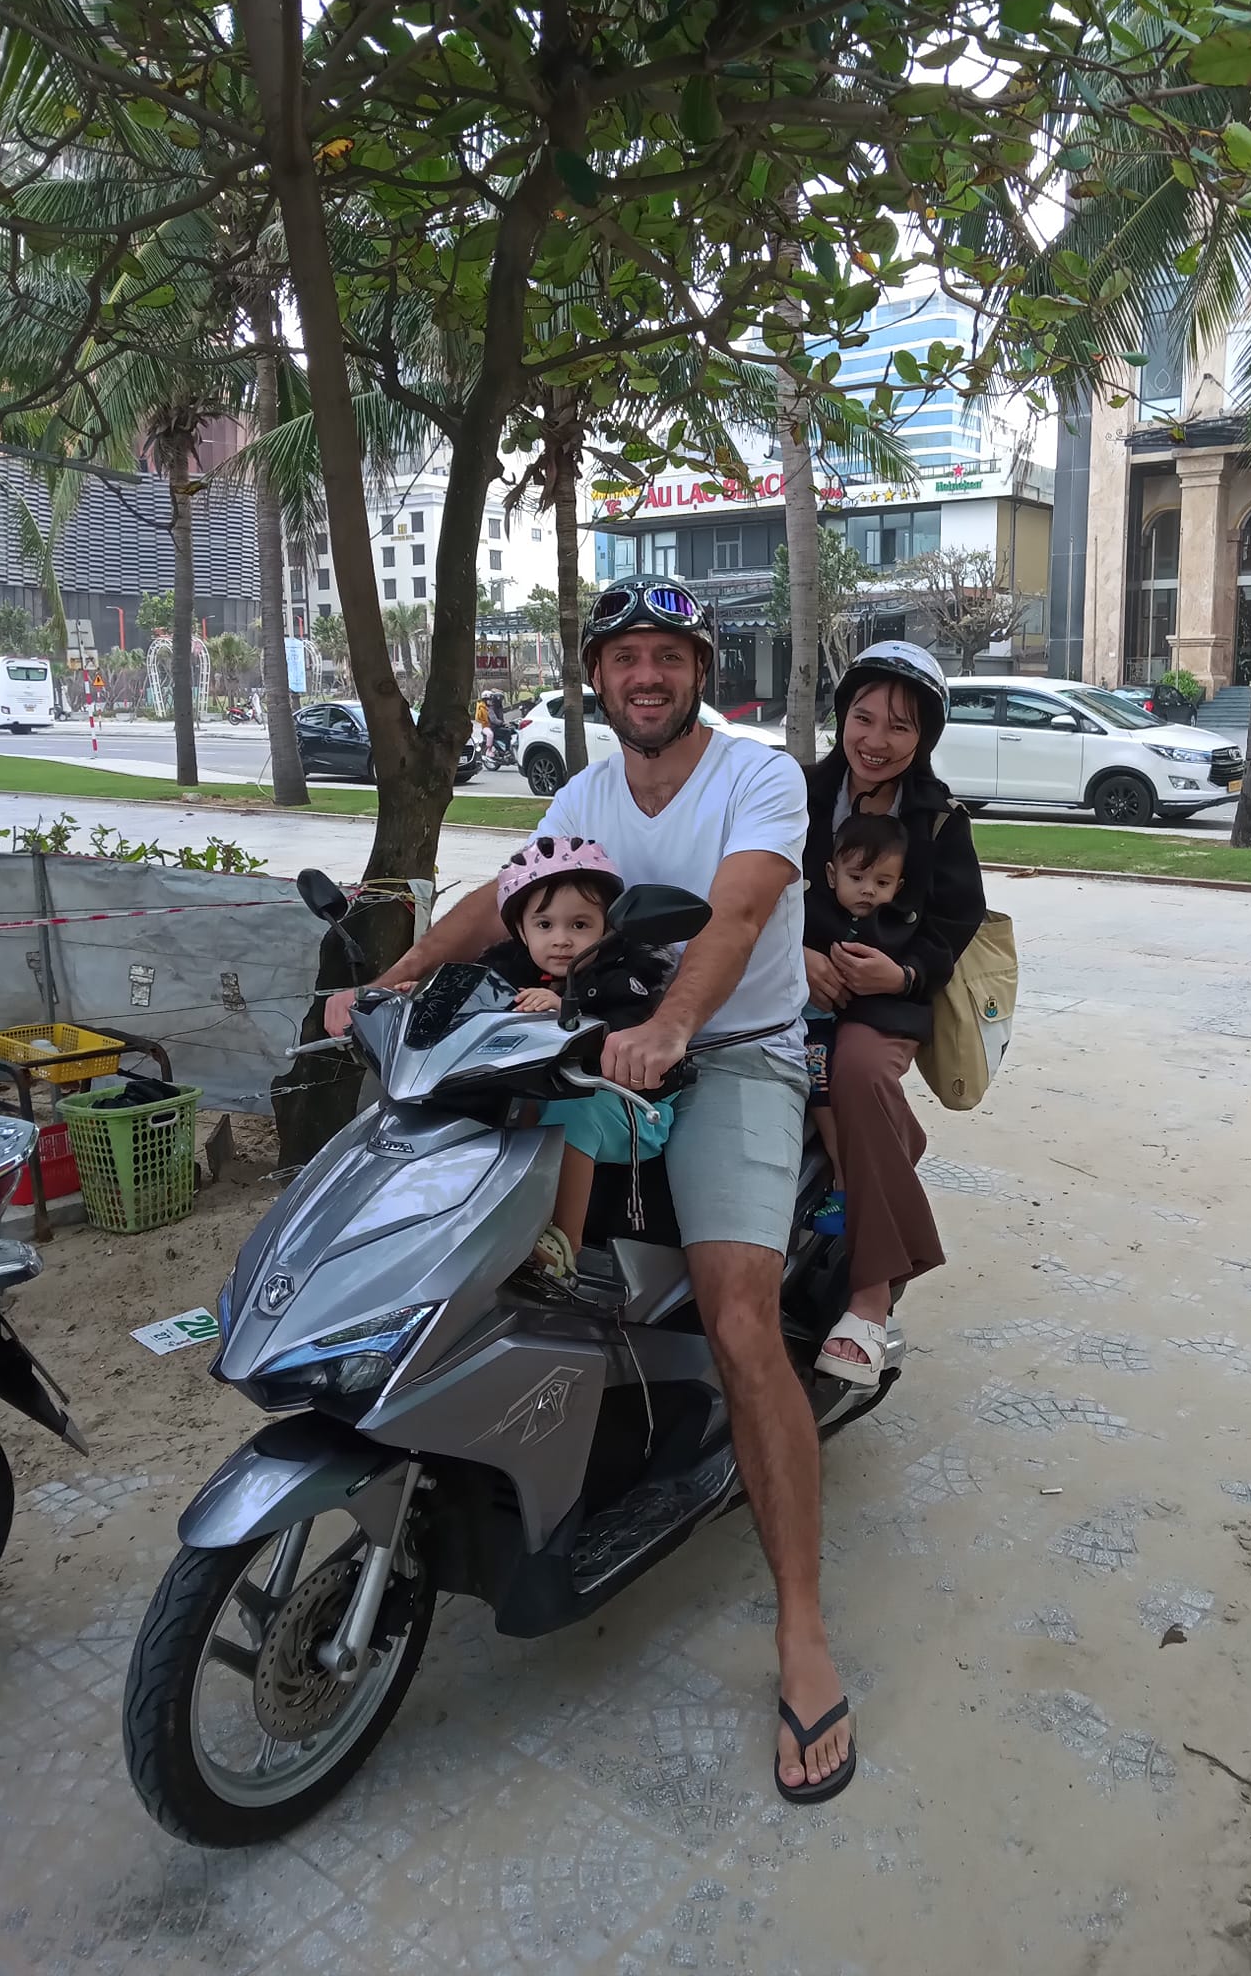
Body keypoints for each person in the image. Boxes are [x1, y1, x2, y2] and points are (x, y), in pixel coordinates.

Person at [325, 574, 855, 1805]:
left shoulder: (758, 776)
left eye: (668, 656)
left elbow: (736, 914)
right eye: (626, 660)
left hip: (734, 1054)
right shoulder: (586, 790)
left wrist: (672, 1023)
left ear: (697, 671)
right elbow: (505, 895)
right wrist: (393, 978)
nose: (647, 676)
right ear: (601, 679)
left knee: (738, 1319)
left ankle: (804, 1628)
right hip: (595, 1036)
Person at [800, 641, 987, 1390]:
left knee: (855, 1071)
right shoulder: (798, 794)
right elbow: (762, 886)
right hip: (793, 989)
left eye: (900, 727)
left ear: (926, 738)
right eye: (863, 717)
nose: (875, 740)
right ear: (842, 716)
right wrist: (796, 958)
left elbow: (954, 924)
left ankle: (870, 1298)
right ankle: (891, 1137)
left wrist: (902, 970)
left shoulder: (940, 822)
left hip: (885, 1004)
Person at [481, 835, 676, 1284]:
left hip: (632, 1105)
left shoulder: (626, 979)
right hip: (542, 1097)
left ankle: (563, 1243)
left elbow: (627, 1033)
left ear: (608, 929)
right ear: (520, 932)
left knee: (570, 1114)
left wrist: (567, 1010)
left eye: (580, 925)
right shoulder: (504, 976)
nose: (562, 940)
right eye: (544, 925)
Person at [802, 812, 912, 1238]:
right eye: (857, 877)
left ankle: (844, 1185)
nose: (868, 890)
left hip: (824, 1032)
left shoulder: (887, 932)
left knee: (824, 1093)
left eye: (882, 884)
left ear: (898, 887)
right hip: (790, 1020)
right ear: (831, 875)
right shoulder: (805, 912)